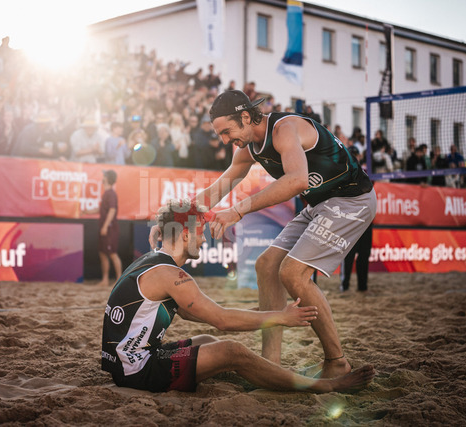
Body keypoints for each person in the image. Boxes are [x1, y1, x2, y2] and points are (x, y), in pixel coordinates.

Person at [149, 90, 376, 379]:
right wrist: (170, 219)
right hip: (320, 204)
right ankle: (273, 364)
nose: (224, 140)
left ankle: (337, 361)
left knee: (292, 274)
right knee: (266, 266)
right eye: (220, 135)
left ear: (245, 117)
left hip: (352, 200)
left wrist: (238, 210)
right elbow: (216, 190)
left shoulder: (284, 129)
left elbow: (297, 180)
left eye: (226, 132)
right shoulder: (249, 147)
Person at [105, 199, 375, 393]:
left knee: (209, 341)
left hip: (127, 361)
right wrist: (280, 317)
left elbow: (190, 313)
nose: (204, 240)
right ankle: (327, 386)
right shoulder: (171, 275)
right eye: (200, 234)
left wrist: (260, 313)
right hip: (137, 370)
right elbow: (222, 320)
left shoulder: (152, 261)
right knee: (233, 350)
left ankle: (266, 376)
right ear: (185, 235)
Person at [88, 169, 122, 287]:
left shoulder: (111, 193)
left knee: (112, 254)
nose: (102, 177)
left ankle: (119, 280)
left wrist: (105, 226)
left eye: (104, 175)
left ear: (107, 178)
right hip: (106, 227)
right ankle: (105, 280)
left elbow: (112, 210)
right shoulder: (107, 193)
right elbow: (102, 209)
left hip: (110, 228)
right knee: (102, 253)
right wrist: (86, 211)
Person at [340, 223, 373, 292]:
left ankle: (362, 286)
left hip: (366, 225)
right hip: (352, 225)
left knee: (364, 256)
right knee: (348, 256)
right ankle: (344, 286)